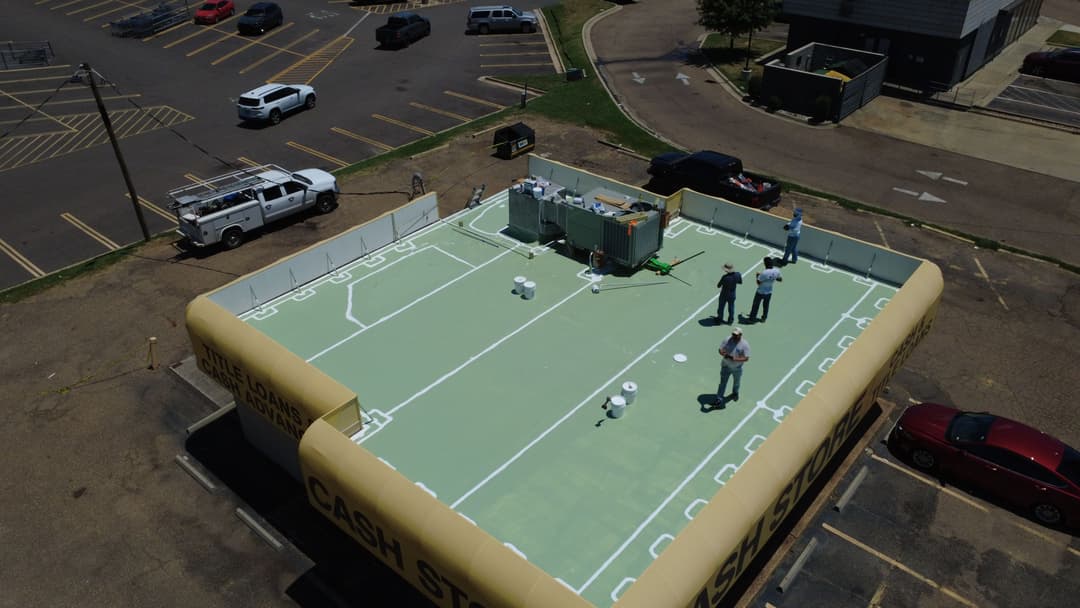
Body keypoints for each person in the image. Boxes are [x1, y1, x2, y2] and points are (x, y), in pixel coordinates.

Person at [715, 327, 750, 406]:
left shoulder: (745, 345)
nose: (733, 336)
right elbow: (720, 349)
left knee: (736, 383)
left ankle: (735, 393)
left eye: (736, 335)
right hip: (725, 365)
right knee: (722, 383)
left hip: (737, 368)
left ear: (740, 335)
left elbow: (746, 358)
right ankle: (719, 398)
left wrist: (735, 359)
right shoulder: (727, 339)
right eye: (733, 334)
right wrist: (723, 353)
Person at [748, 256, 782, 323]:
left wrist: (757, 275)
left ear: (765, 264)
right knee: (766, 306)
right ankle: (764, 318)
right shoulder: (777, 270)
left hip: (760, 292)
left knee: (755, 305)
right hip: (769, 292)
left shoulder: (764, 273)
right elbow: (780, 279)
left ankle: (752, 319)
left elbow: (758, 283)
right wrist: (773, 278)